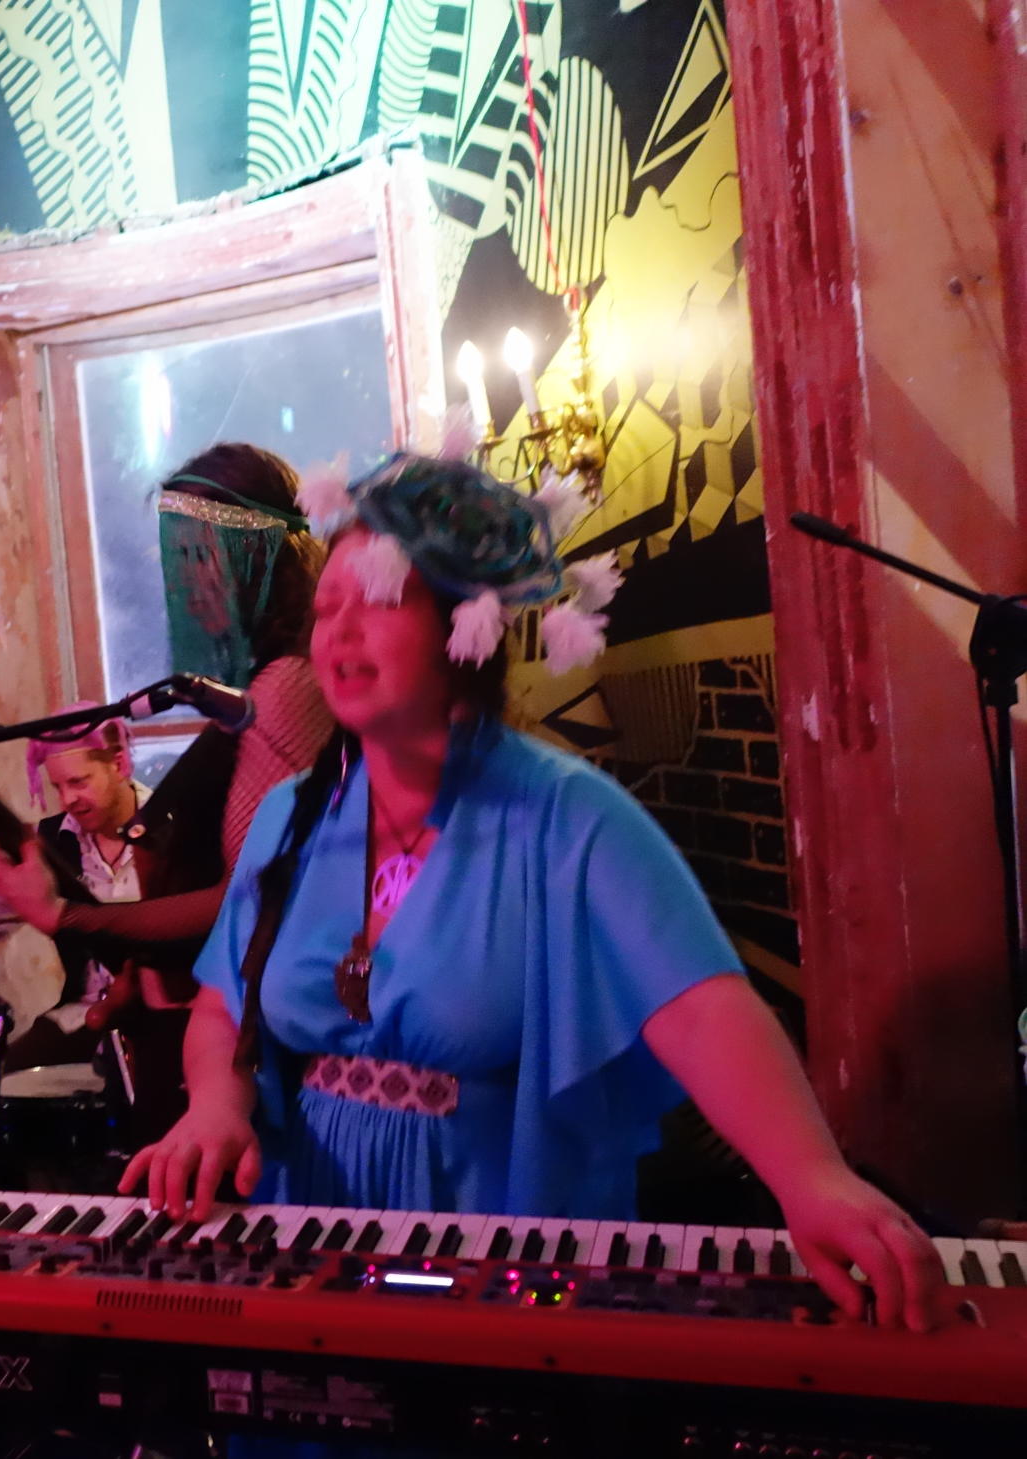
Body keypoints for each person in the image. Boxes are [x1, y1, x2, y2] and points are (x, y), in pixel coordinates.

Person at [121, 454, 945, 1343]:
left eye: (379, 601)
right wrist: (215, 1106)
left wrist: (809, 1175)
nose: (339, 633)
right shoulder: (292, 814)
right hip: (308, 1237)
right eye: (327, 609)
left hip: (493, 1244)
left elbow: (702, 1008)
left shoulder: (566, 816)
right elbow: (223, 1008)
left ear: (465, 624)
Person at [0, 445, 338, 1127]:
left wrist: (65, 916)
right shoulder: (261, 687)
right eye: (175, 557)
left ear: (254, 554)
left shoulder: (286, 686)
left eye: (199, 554)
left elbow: (247, 899)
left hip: (272, 1053)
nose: (185, 580)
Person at [0, 712, 151, 1065]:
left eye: (79, 782)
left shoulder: (171, 829)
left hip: (162, 1017)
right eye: (58, 787)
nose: (68, 799)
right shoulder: (51, 842)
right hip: (81, 1017)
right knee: (0, 1083)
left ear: (118, 763)